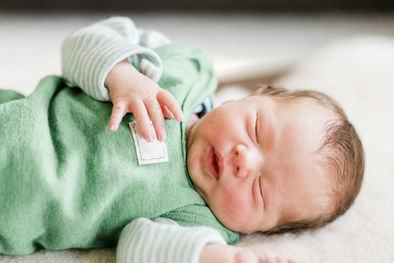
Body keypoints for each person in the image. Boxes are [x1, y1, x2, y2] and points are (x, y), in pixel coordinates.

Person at [0, 17, 364, 263]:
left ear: (259, 230)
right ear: (250, 96)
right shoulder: (178, 73)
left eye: (260, 190)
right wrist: (121, 73)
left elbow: (138, 249)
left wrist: (217, 257)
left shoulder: (196, 220)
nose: (244, 160)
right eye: (255, 130)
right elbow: (83, 42)